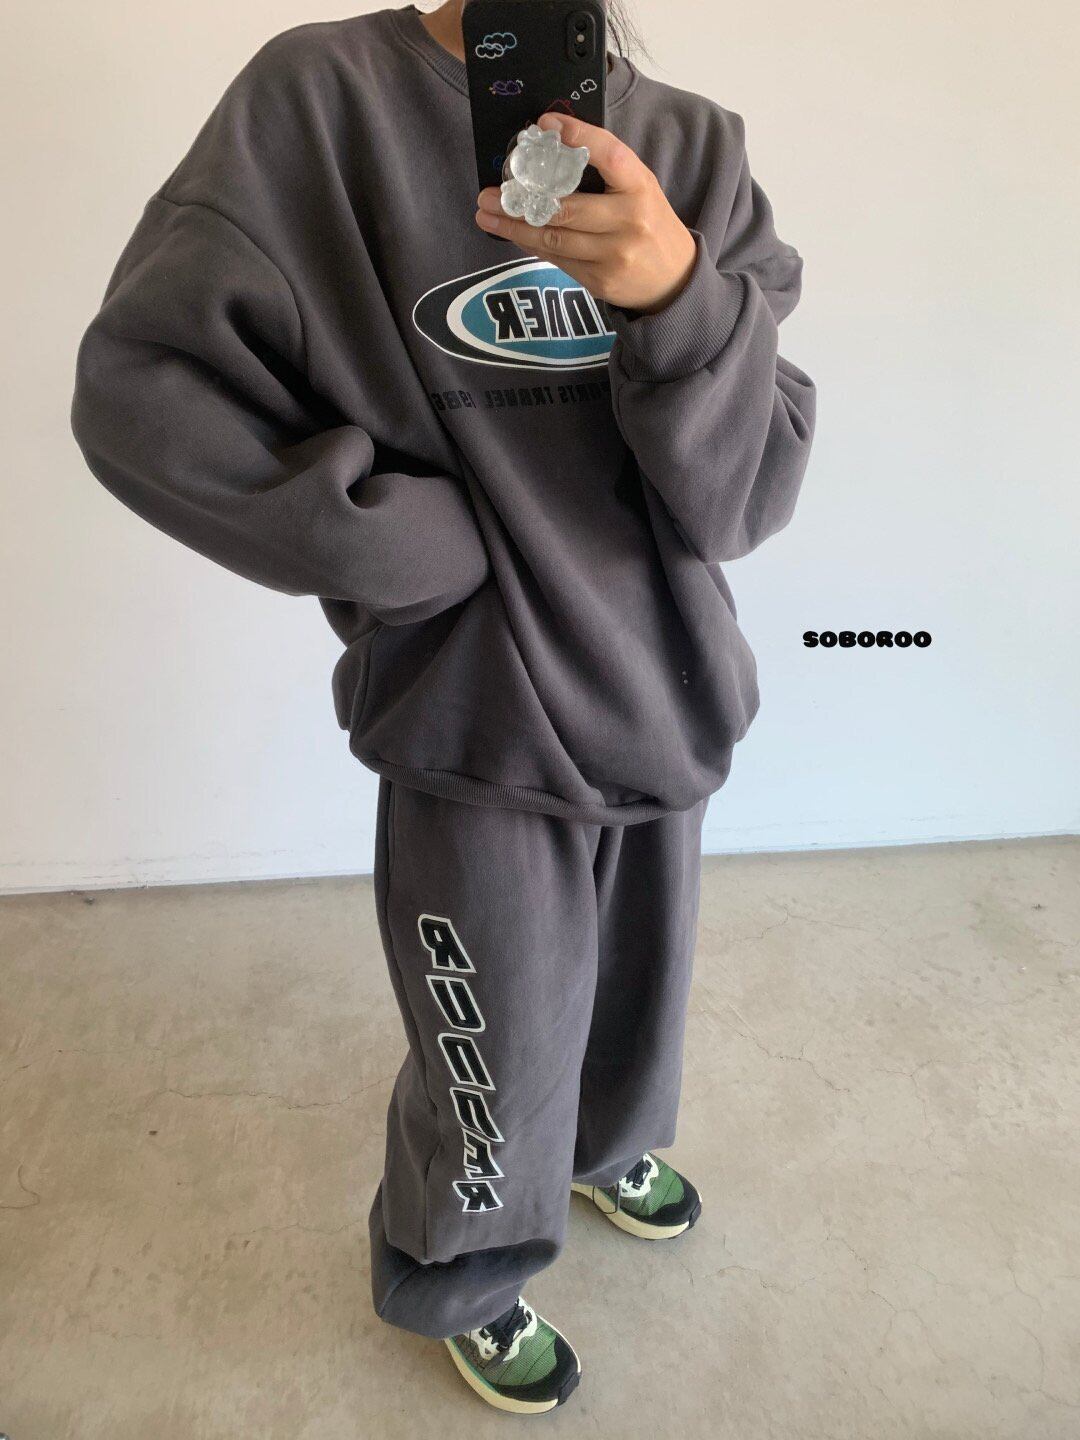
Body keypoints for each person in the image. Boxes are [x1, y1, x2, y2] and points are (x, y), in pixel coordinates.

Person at [71, 0, 816, 1415]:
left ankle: (606, 1148)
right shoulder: (318, 104)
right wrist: (390, 543)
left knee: (637, 987)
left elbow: (748, 492)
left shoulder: (696, 150)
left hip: (664, 686)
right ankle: (465, 1269)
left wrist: (678, 297)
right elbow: (143, 387)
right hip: (473, 707)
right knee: (495, 1038)